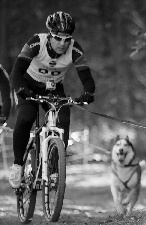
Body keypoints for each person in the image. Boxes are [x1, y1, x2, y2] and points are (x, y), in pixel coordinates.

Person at [9, 11, 95, 188]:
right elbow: (16, 72)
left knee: (63, 118)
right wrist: (20, 89)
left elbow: (87, 77)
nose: (63, 43)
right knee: (26, 117)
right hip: (28, 85)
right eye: (58, 38)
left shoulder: (75, 49)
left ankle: (54, 168)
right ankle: (18, 165)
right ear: (49, 35)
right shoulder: (35, 43)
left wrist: (88, 92)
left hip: (53, 89)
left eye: (67, 39)